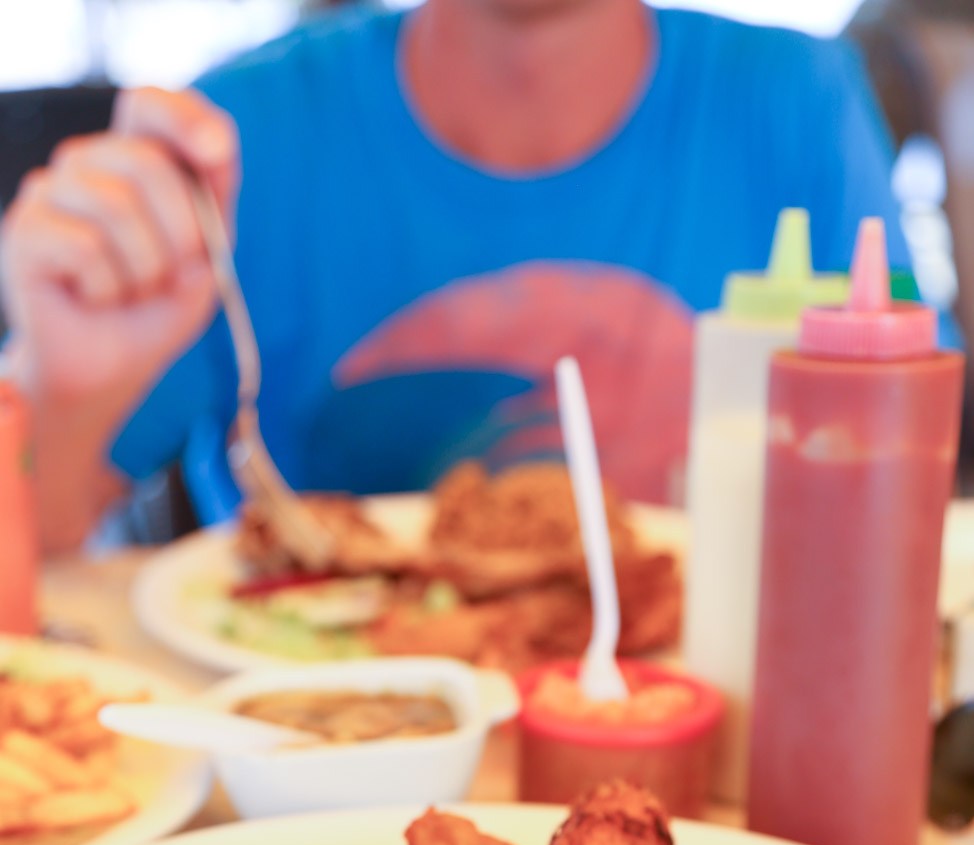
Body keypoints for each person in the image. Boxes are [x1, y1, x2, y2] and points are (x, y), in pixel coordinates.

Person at [0, 0, 911, 553]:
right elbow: (42, 534)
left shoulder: (798, 103)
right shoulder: (242, 132)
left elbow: (903, 494)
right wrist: (60, 383)